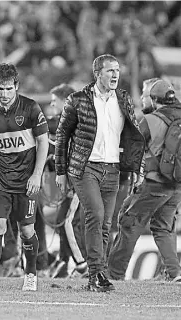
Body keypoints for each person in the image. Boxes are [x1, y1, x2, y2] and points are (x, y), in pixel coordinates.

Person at [55, 54, 146, 292]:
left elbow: (133, 137)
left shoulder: (124, 99)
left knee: (105, 223)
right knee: (94, 215)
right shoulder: (77, 100)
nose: (115, 75)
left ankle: (99, 273)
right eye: (110, 71)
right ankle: (95, 273)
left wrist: (137, 168)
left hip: (113, 169)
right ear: (97, 74)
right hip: (85, 168)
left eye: (117, 70)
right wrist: (61, 172)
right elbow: (62, 137)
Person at [0, 63, 49, 291]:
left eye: (8, 89)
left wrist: (37, 175)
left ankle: (31, 274)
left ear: (16, 86)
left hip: (26, 179)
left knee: (27, 230)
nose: (4, 94)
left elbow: (43, 141)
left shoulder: (30, 108)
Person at [108, 79, 181, 283]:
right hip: (176, 185)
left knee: (130, 223)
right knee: (163, 227)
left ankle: (113, 274)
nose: (143, 98)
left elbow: (130, 150)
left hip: (154, 183)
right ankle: (174, 273)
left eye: (146, 95)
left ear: (154, 100)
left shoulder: (150, 120)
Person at [45, 83, 87, 278]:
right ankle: (63, 260)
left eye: (55, 102)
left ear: (65, 100)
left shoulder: (76, 121)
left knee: (68, 222)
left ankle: (82, 266)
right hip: (74, 180)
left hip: (81, 179)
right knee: (64, 218)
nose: (53, 107)